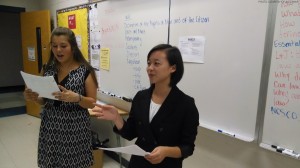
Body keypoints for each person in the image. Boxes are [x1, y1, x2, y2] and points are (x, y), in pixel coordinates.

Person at [92, 44, 199, 168]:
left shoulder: (185, 104)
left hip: (167, 164)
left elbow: (188, 147)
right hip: (139, 163)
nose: (150, 68)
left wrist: (166, 151)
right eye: (149, 63)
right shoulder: (141, 97)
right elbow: (131, 133)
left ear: (173, 68)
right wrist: (116, 118)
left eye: (156, 63)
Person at [23, 27, 98, 168]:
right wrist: (34, 97)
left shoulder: (85, 71)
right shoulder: (48, 69)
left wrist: (78, 98)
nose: (58, 50)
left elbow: (92, 103)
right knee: (50, 164)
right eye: (54, 46)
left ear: (73, 47)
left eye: (63, 46)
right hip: (50, 126)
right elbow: (44, 100)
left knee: (75, 164)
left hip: (75, 128)